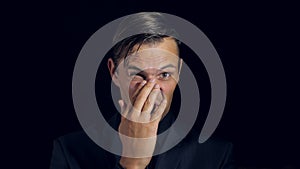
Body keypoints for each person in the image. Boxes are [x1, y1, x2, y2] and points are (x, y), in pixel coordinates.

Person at [50, 12, 236, 169]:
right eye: (138, 75)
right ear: (114, 72)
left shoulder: (216, 156)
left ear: (179, 72)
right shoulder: (70, 151)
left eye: (164, 74)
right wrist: (132, 163)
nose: (152, 90)